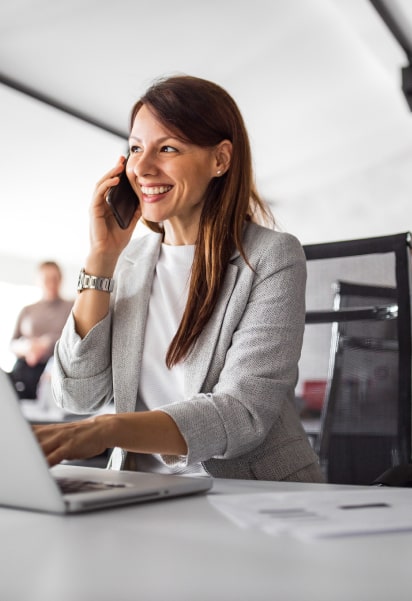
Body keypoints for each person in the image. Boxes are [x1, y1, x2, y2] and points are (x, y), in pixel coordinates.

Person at [34, 75, 324, 482]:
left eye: (167, 148)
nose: (142, 167)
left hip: (251, 495)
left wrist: (106, 431)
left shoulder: (271, 257)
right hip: (142, 492)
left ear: (220, 159)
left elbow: (243, 413)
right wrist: (101, 259)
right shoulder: (128, 261)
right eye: (135, 148)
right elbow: (76, 394)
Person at [9, 261, 73, 399]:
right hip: (25, 369)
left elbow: (75, 337)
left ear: (61, 279)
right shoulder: (28, 310)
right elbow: (12, 343)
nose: (51, 283)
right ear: (38, 281)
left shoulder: (72, 307)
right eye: (46, 279)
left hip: (56, 370)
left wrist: (47, 343)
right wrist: (28, 347)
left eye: (54, 278)